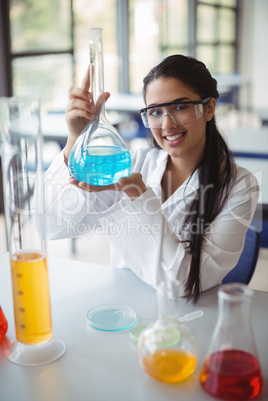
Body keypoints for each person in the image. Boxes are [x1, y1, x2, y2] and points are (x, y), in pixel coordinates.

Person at [40, 54, 259, 303]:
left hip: (190, 318)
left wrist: (140, 196)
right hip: (125, 308)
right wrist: (74, 140)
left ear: (209, 108)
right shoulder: (133, 164)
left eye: (180, 106)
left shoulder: (240, 186)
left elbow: (185, 282)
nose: (167, 124)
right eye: (155, 111)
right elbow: (51, 225)